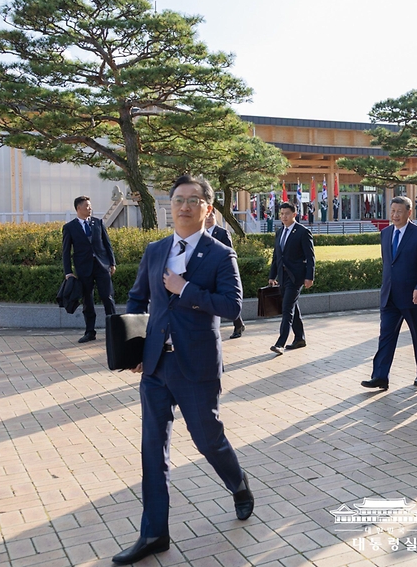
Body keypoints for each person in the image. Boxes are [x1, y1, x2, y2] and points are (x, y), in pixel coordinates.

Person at [115, 175, 252, 565]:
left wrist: (184, 289)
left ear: (208, 208)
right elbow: (137, 298)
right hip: (156, 366)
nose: (185, 206)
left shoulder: (220, 253)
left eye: (194, 200)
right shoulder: (155, 250)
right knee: (152, 450)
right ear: (169, 206)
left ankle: (238, 482)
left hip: (196, 366)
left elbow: (232, 307)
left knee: (208, 439)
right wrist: (135, 348)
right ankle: (154, 533)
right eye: (178, 199)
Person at [362, 197, 417, 390]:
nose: (395, 215)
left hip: (412, 296)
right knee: (385, 336)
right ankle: (380, 376)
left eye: (399, 211)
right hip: (389, 296)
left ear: (409, 212)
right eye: (392, 211)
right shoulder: (385, 233)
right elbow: (388, 263)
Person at [62, 196, 116, 343]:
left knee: (107, 297)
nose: (90, 208)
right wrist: (68, 272)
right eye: (87, 206)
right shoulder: (70, 228)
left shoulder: (98, 223)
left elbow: (107, 244)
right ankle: (90, 332)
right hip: (83, 268)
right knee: (88, 300)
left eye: (90, 206)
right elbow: (66, 251)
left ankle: (114, 331)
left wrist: (112, 263)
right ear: (78, 208)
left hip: (102, 266)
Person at [267, 201, 315, 354]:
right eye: (281, 214)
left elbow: (310, 257)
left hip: (296, 277)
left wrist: (309, 277)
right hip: (282, 277)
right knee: (292, 307)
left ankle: (280, 343)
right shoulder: (280, 232)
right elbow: (276, 256)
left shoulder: (302, 232)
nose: (284, 216)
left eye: (287, 214)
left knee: (286, 308)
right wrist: (272, 275)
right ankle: (300, 338)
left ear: (294, 214)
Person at [205, 213, 247, 339]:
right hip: (206, 272)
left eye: (210, 217)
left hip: (220, 272)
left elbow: (229, 252)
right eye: (206, 217)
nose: (207, 219)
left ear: (215, 218)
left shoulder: (222, 233)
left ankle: (238, 325)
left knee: (226, 301)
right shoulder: (201, 233)